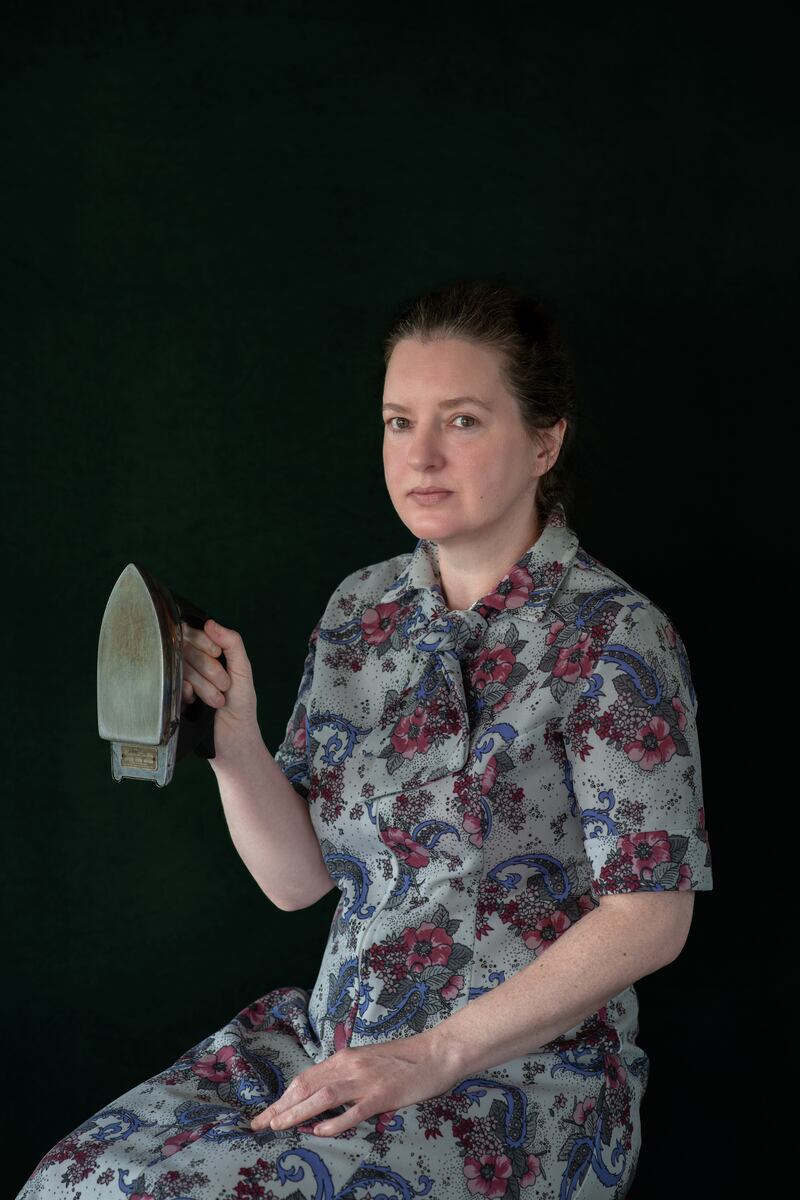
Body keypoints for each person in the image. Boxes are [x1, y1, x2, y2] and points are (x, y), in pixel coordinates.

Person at [17, 279, 713, 1200]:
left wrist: (433, 1055)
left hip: (516, 1082)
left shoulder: (616, 638)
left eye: (461, 421)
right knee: (73, 1184)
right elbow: (300, 881)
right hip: (333, 1044)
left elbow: (651, 918)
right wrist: (234, 739)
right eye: (397, 422)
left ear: (545, 441)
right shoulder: (362, 611)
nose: (420, 455)